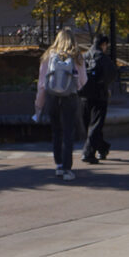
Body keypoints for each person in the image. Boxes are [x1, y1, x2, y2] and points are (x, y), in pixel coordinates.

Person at [35, 28, 88, 180]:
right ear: (72, 39)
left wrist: (39, 105)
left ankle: (58, 165)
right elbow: (83, 80)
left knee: (56, 132)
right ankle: (67, 169)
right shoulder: (77, 56)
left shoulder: (48, 56)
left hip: (52, 98)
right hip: (69, 98)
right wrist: (75, 85)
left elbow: (42, 84)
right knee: (68, 133)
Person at [80, 34, 117, 163]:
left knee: (88, 124)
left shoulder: (84, 56)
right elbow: (112, 74)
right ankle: (89, 152)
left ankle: (102, 148)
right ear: (103, 44)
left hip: (84, 95)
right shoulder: (103, 58)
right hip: (99, 95)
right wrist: (104, 85)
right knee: (96, 125)